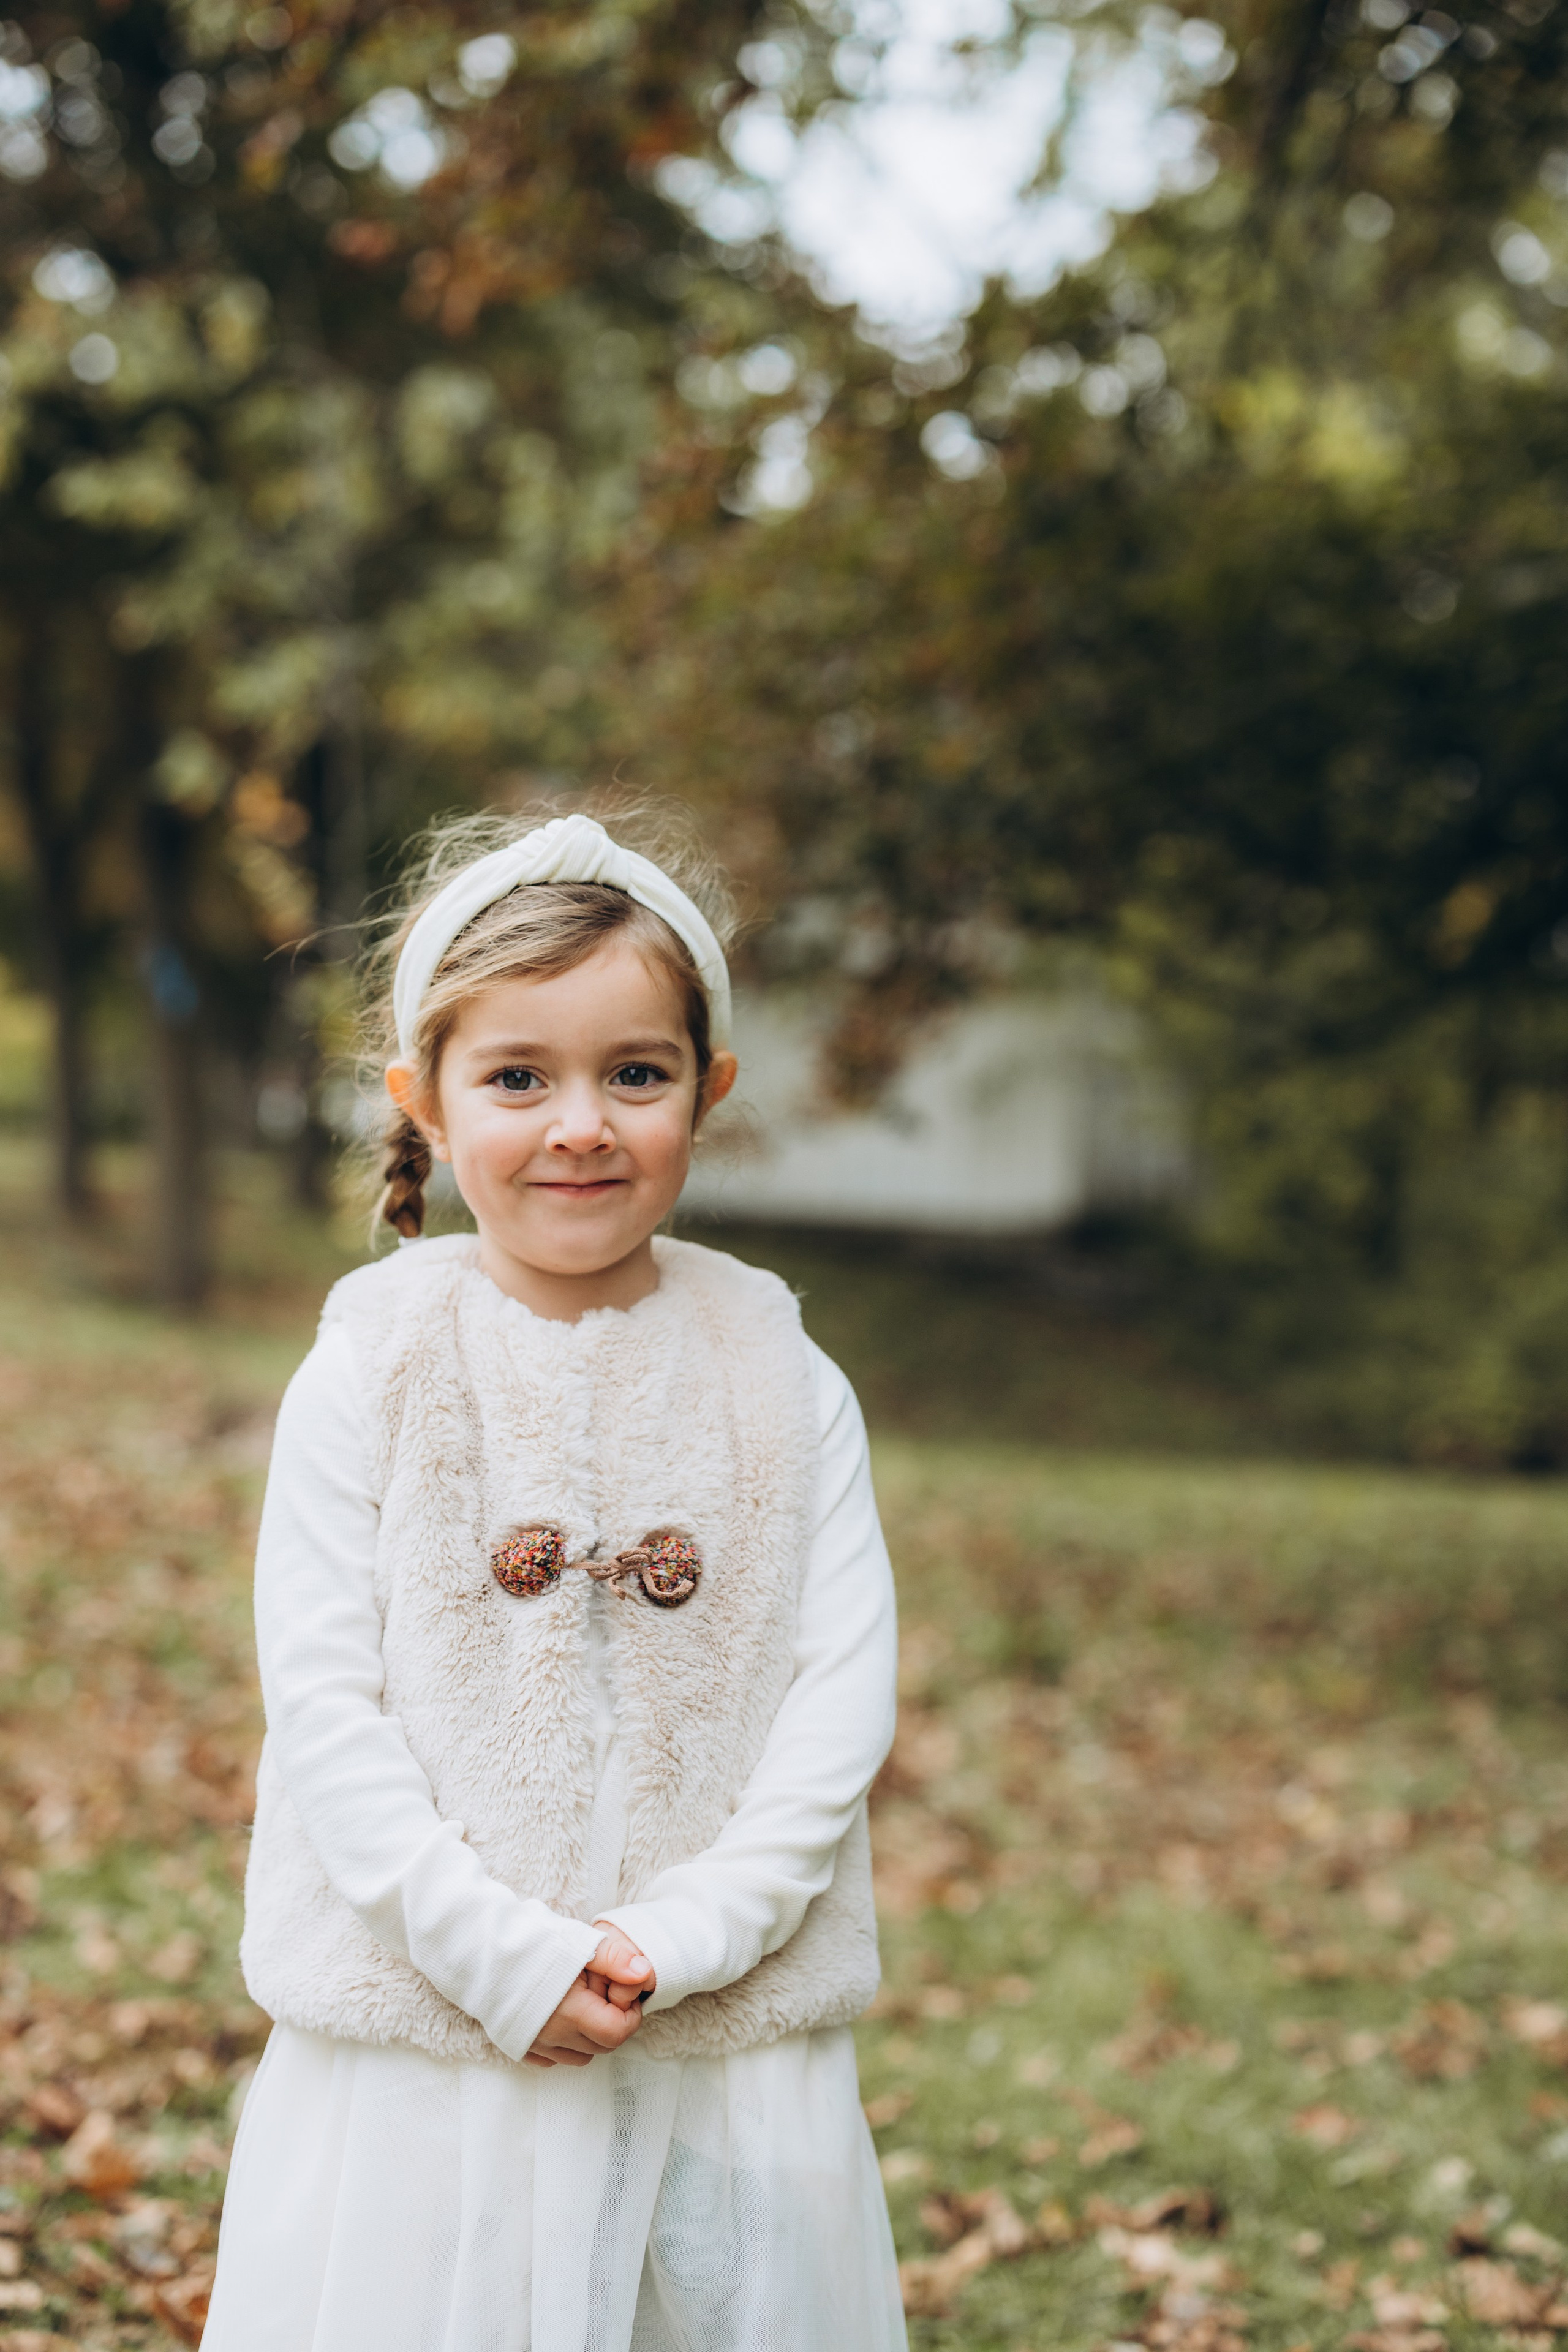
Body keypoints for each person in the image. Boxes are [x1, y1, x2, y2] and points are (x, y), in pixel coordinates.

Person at [203, 807, 908, 2352]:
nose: (578, 1123)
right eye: (518, 1076)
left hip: (706, 2030)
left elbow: (837, 1698)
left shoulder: (783, 1379)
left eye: (633, 1074)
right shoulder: (371, 1371)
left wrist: (689, 1935)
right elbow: (325, 1707)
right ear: (426, 1103)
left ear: (705, 1094)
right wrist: (500, 1954)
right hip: (433, 2040)